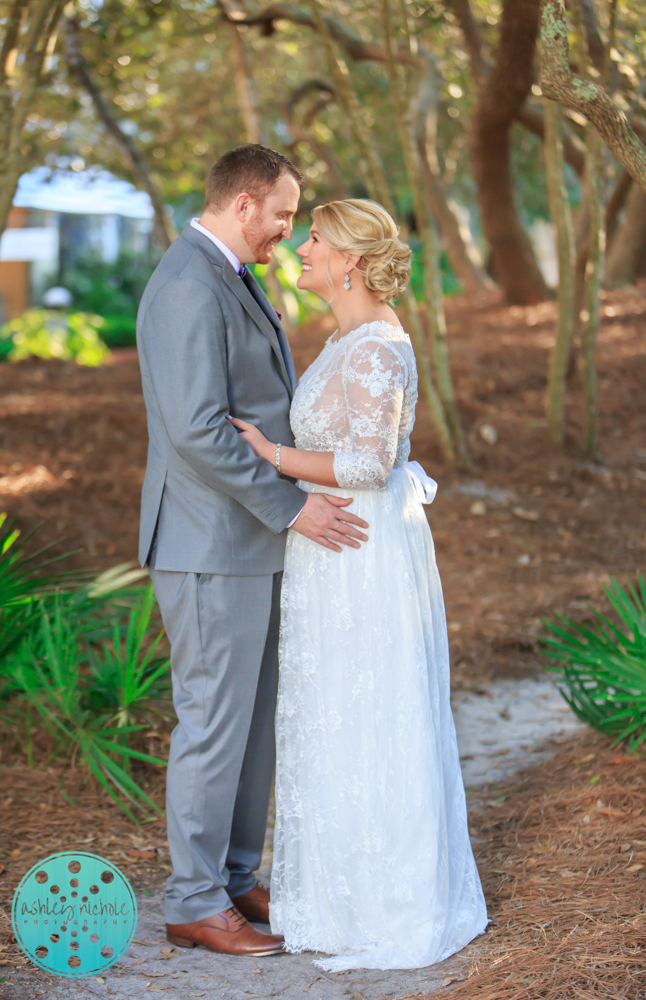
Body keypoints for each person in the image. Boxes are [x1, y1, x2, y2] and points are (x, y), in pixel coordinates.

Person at [229, 198, 488, 971]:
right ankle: (336, 892)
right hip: (331, 549)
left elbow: (371, 464)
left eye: (313, 238)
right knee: (334, 711)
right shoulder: (346, 337)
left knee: (368, 710)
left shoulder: (375, 347)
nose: (300, 247)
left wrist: (269, 455)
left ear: (348, 261)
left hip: (360, 552)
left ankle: (387, 899)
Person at [136, 146, 369, 958]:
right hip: (208, 544)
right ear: (244, 204)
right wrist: (292, 503)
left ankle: (235, 878)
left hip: (249, 540)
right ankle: (193, 900)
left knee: (253, 725)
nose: (287, 229)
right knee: (212, 722)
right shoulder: (185, 287)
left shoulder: (230, 274)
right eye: (281, 212)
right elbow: (198, 431)